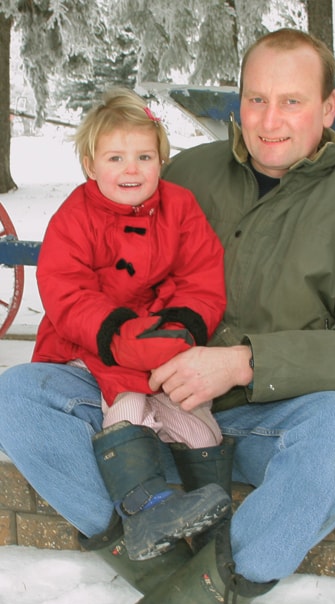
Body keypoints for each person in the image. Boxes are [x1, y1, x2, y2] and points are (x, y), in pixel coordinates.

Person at [0, 28, 335, 604]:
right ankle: (192, 596)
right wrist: (125, 344)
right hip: (142, 397)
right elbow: (92, 253)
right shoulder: (183, 173)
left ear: (329, 108)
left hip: (262, 417)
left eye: (292, 101)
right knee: (17, 397)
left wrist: (243, 363)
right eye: (256, 99)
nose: (269, 120)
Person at [27, 87, 234, 562]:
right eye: (116, 157)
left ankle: (212, 525)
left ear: (162, 160)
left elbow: (202, 276)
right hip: (94, 341)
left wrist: (181, 328)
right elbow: (66, 289)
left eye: (144, 156)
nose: (132, 169)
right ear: (89, 163)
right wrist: (117, 334)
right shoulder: (75, 218)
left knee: (197, 417)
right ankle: (146, 505)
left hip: (163, 338)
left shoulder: (179, 207)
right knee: (128, 400)